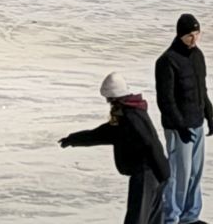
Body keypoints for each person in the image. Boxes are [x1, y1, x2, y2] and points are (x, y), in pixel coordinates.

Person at [58, 72, 170, 224]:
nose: (107, 103)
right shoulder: (129, 115)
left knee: (137, 219)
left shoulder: (131, 118)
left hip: (147, 173)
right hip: (153, 172)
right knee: (152, 219)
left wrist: (163, 173)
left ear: (114, 98)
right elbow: (102, 134)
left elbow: (150, 143)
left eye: (108, 99)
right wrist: (73, 139)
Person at [154, 12, 213, 224]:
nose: (194, 39)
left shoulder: (198, 56)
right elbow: (165, 100)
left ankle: (190, 216)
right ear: (180, 34)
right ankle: (171, 217)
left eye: (197, 34)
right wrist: (179, 126)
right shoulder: (167, 61)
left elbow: (202, 88)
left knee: (195, 173)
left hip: (197, 123)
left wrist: (209, 113)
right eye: (190, 35)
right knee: (179, 174)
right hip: (177, 127)